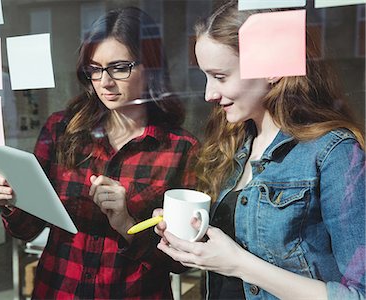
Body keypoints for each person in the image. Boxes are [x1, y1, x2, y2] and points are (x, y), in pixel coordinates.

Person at [0, 7, 199, 299]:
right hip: (58, 289)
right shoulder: (62, 130)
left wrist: (127, 224)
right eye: (94, 69)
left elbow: (181, 262)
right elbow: (26, 230)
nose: (104, 82)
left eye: (119, 67)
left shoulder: (180, 148)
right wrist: (9, 198)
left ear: (151, 67)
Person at [154, 1, 365, 299]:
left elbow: (358, 294)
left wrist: (238, 264)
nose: (208, 94)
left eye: (220, 76)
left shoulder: (334, 153)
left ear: (272, 70)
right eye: (206, 76)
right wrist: (190, 241)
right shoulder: (233, 143)